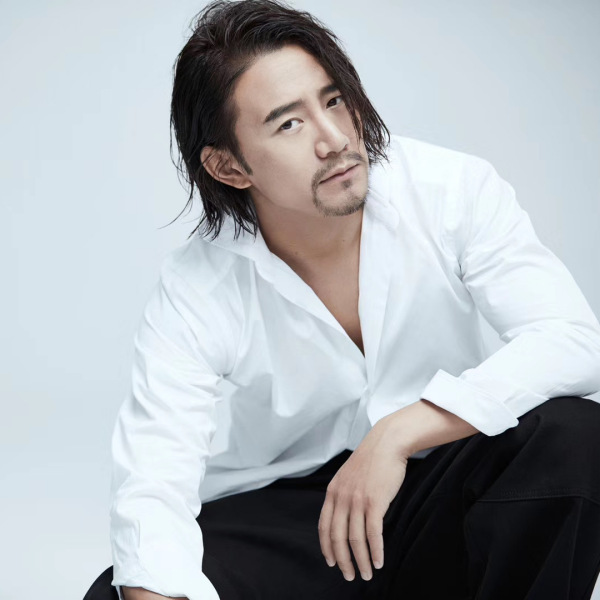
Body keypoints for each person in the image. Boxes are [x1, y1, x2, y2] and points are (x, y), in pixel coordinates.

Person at [82, 1, 600, 599]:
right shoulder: (199, 284)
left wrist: (399, 432)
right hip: (299, 521)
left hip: (443, 486)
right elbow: (154, 475)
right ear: (228, 166)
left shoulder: (450, 190)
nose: (334, 139)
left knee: (573, 435)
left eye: (332, 101)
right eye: (288, 124)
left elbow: (572, 340)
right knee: (128, 589)